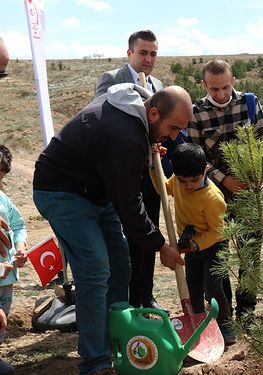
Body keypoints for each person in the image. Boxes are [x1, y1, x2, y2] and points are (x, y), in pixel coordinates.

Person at [32, 84, 188, 375]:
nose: (175, 136)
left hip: (94, 190)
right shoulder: (126, 137)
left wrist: (149, 140)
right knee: (94, 268)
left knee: (119, 263)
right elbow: (130, 204)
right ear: (153, 113)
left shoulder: (137, 115)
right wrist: (160, 245)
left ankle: (117, 339)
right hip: (61, 191)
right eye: (173, 127)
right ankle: (96, 362)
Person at [94, 30, 172, 311]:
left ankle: (145, 293)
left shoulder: (158, 85)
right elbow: (103, 115)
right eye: (143, 53)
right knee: (124, 234)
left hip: (149, 173)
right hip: (122, 172)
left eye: (153, 53)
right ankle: (124, 296)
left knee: (148, 229)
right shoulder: (113, 79)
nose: (148, 59)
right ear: (130, 53)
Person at [187, 59, 263, 323]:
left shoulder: (250, 103)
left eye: (224, 87)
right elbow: (196, 157)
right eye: (214, 89)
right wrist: (224, 179)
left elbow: (262, 143)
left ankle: (247, 312)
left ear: (233, 81)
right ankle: (223, 315)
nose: (220, 94)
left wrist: (250, 176)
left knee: (249, 254)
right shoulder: (196, 112)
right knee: (217, 255)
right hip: (214, 196)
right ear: (205, 86)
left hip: (248, 192)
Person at [150, 142, 235, 345]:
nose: (188, 186)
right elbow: (163, 188)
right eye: (182, 180)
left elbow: (219, 230)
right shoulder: (177, 184)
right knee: (193, 288)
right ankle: (197, 323)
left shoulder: (212, 197)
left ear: (205, 170)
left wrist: (196, 244)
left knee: (212, 288)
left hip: (215, 246)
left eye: (194, 180)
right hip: (191, 245)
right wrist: (155, 166)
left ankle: (226, 325)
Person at [0, 145, 28, 375]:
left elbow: (18, 226)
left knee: (2, 317)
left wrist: (20, 249)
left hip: (5, 279)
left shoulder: (3, 199)